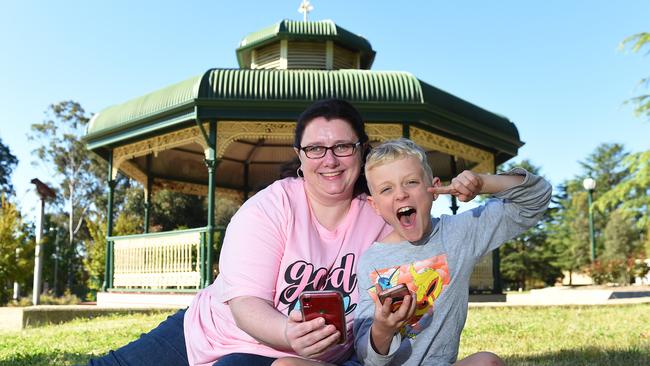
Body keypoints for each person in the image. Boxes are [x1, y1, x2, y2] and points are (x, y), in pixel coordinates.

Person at [88, 99, 391, 366]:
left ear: (361, 150)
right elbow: (245, 303)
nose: (330, 160)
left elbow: (423, 243)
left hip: (293, 361)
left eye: (343, 146)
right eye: (315, 149)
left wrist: (426, 195)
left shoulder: (380, 217)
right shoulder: (270, 207)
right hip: (214, 331)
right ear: (299, 155)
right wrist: (289, 331)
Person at [353, 138, 552, 366]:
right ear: (375, 205)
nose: (401, 195)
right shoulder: (372, 261)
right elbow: (366, 357)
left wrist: (482, 183)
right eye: (387, 189)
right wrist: (382, 329)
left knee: (487, 362)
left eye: (411, 182)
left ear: (434, 188)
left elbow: (537, 197)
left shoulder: (459, 233)